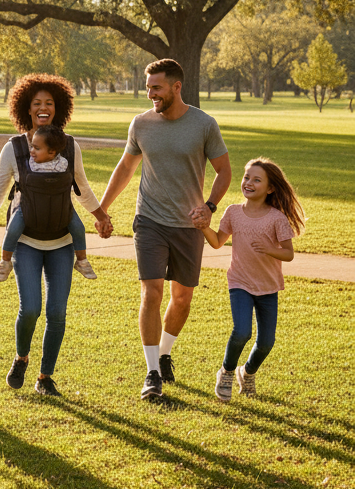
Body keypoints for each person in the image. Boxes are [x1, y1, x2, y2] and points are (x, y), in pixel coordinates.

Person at [0, 73, 112, 395]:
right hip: (27, 242)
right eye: (37, 104)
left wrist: (101, 217)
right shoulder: (15, 149)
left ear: (58, 109)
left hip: (62, 242)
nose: (43, 108)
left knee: (57, 313)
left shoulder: (70, 147)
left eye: (49, 103)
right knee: (30, 308)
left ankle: (45, 378)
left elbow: (83, 189)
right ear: (26, 109)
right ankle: (21, 357)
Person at [98, 58, 231, 401]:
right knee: (152, 292)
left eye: (156, 87)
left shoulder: (203, 124)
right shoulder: (141, 124)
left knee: (182, 299)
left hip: (189, 225)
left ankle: (166, 352)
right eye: (148, 88)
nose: (150, 94)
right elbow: (126, 167)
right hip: (150, 221)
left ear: (176, 86)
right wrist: (103, 209)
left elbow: (224, 172)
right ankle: (152, 371)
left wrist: (210, 207)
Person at [201, 158, 303, 402]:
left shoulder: (277, 218)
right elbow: (217, 242)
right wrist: (204, 226)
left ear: (270, 188)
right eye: (246, 177)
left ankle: (246, 372)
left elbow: (288, 254)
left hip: (268, 287)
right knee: (242, 331)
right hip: (239, 282)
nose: (248, 182)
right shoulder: (233, 212)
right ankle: (226, 372)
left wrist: (270, 248)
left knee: (267, 342)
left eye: (257, 180)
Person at [0, 124, 98, 282]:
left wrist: (100, 215)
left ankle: (82, 261)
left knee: (78, 228)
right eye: (31, 147)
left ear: (52, 152)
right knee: (13, 228)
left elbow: (81, 187)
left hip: (61, 206)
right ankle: (5, 262)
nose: (32, 151)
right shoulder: (30, 162)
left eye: (37, 148)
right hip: (29, 206)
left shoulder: (63, 163)